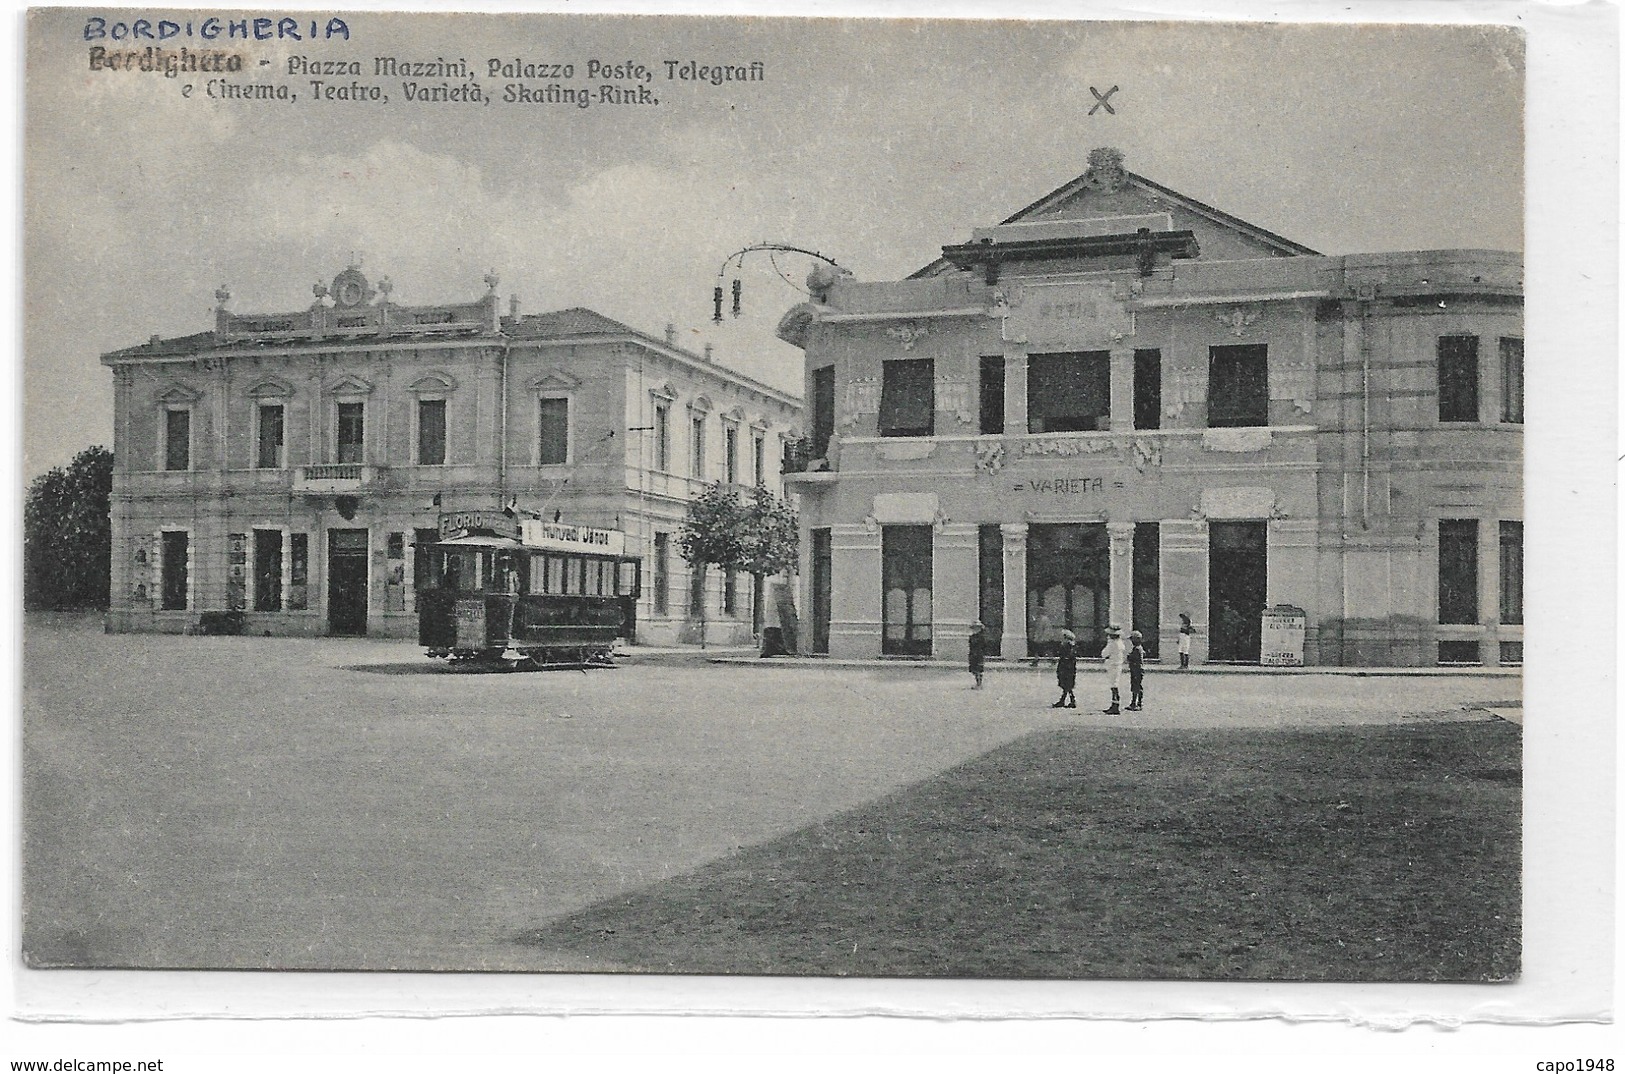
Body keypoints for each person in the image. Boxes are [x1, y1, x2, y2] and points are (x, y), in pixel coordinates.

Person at [1101, 625, 1126, 714]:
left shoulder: (1112, 644)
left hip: (1113, 665)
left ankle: (1115, 705)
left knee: (1113, 685)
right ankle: (1114, 704)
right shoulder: (1120, 643)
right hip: (1117, 665)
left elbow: (1104, 653)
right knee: (1115, 684)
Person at [1051, 629, 1077, 709]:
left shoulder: (1068, 645)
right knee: (1066, 685)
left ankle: (1069, 700)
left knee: (1066, 684)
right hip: (1067, 666)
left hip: (1066, 667)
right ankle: (1067, 700)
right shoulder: (1069, 645)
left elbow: (1068, 656)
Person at [1126, 630, 1146, 711]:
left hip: (1136, 670)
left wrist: (1129, 657)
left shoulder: (1137, 649)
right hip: (1136, 669)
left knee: (1136, 687)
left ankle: (1138, 703)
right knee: (1135, 686)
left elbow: (1134, 659)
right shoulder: (1139, 648)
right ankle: (1134, 703)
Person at [968, 621, 988, 690]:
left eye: (976, 628)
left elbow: (984, 645)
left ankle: (979, 684)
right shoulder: (972, 636)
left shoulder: (981, 637)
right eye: (973, 628)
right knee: (973, 669)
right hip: (972, 654)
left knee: (978, 669)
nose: (974, 630)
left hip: (978, 654)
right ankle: (977, 683)